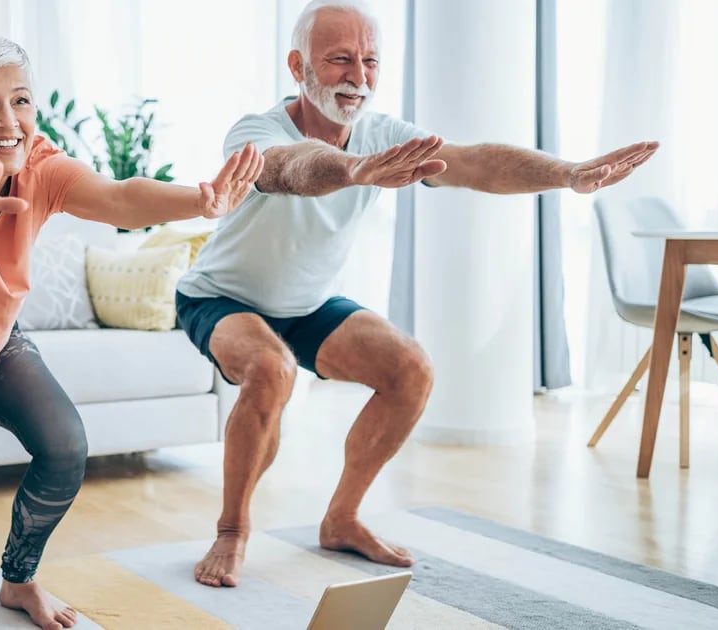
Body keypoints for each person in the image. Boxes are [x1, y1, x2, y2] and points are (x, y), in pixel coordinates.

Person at [175, 0, 658, 588]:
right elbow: (288, 169)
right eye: (340, 60)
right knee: (272, 368)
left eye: (370, 60)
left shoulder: (385, 135)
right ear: (298, 64)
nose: (358, 76)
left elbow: (476, 163)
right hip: (220, 298)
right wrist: (352, 171)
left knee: (410, 370)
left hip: (306, 304)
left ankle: (343, 518)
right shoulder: (256, 131)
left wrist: (568, 174)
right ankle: (232, 532)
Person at [0, 33, 263, 630]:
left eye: (21, 100)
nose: (9, 119)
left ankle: (19, 581)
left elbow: (118, 199)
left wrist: (200, 201)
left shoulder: (41, 167)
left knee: (65, 447)